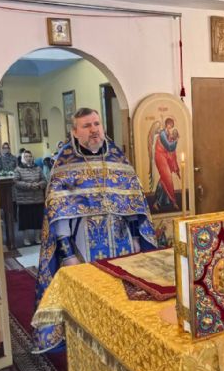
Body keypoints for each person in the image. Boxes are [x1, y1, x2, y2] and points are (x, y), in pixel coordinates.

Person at [33, 107, 157, 352]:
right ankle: (90, 348)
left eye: (96, 124)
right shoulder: (65, 163)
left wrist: (135, 237)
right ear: (74, 132)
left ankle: (123, 341)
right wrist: (67, 254)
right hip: (83, 245)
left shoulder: (117, 158)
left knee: (123, 295)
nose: (94, 130)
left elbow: (132, 202)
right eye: (87, 126)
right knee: (91, 298)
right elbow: (59, 215)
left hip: (121, 242)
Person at [14, 150, 47, 246]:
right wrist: (29, 185)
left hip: (37, 198)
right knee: (25, 221)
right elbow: (16, 182)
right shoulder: (18, 169)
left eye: (30, 156)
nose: (28, 158)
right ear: (23, 158)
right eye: (26, 156)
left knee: (38, 220)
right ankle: (26, 239)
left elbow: (44, 180)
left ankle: (37, 238)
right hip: (25, 200)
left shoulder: (38, 168)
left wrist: (39, 185)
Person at [149, 118, 180, 211]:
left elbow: (170, 149)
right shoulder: (162, 133)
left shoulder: (168, 134)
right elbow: (169, 147)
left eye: (172, 125)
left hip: (165, 157)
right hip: (160, 157)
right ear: (167, 124)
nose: (170, 127)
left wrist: (173, 138)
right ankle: (174, 202)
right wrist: (176, 141)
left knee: (164, 179)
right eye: (170, 125)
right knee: (168, 178)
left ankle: (157, 202)